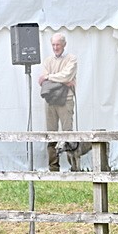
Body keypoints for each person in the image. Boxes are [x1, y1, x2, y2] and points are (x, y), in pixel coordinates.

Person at [38, 33, 78, 172]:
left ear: (64, 44)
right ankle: (53, 167)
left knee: (68, 133)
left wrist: (49, 77)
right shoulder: (48, 61)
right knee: (51, 133)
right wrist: (62, 81)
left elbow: (66, 75)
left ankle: (74, 166)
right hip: (51, 100)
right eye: (53, 45)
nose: (55, 47)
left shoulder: (71, 59)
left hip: (66, 100)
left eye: (58, 44)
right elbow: (44, 82)